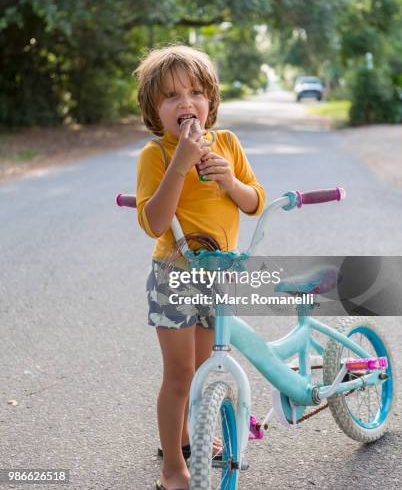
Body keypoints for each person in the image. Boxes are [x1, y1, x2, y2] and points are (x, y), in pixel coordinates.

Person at [135, 45, 265, 490]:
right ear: (156, 109)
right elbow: (153, 221)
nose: (186, 103)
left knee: (210, 364)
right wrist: (179, 165)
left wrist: (229, 180)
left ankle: (198, 431)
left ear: (210, 100)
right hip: (174, 276)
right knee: (179, 374)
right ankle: (173, 462)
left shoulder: (227, 143)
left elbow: (254, 203)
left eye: (195, 92)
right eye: (171, 96)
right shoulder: (155, 155)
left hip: (219, 272)